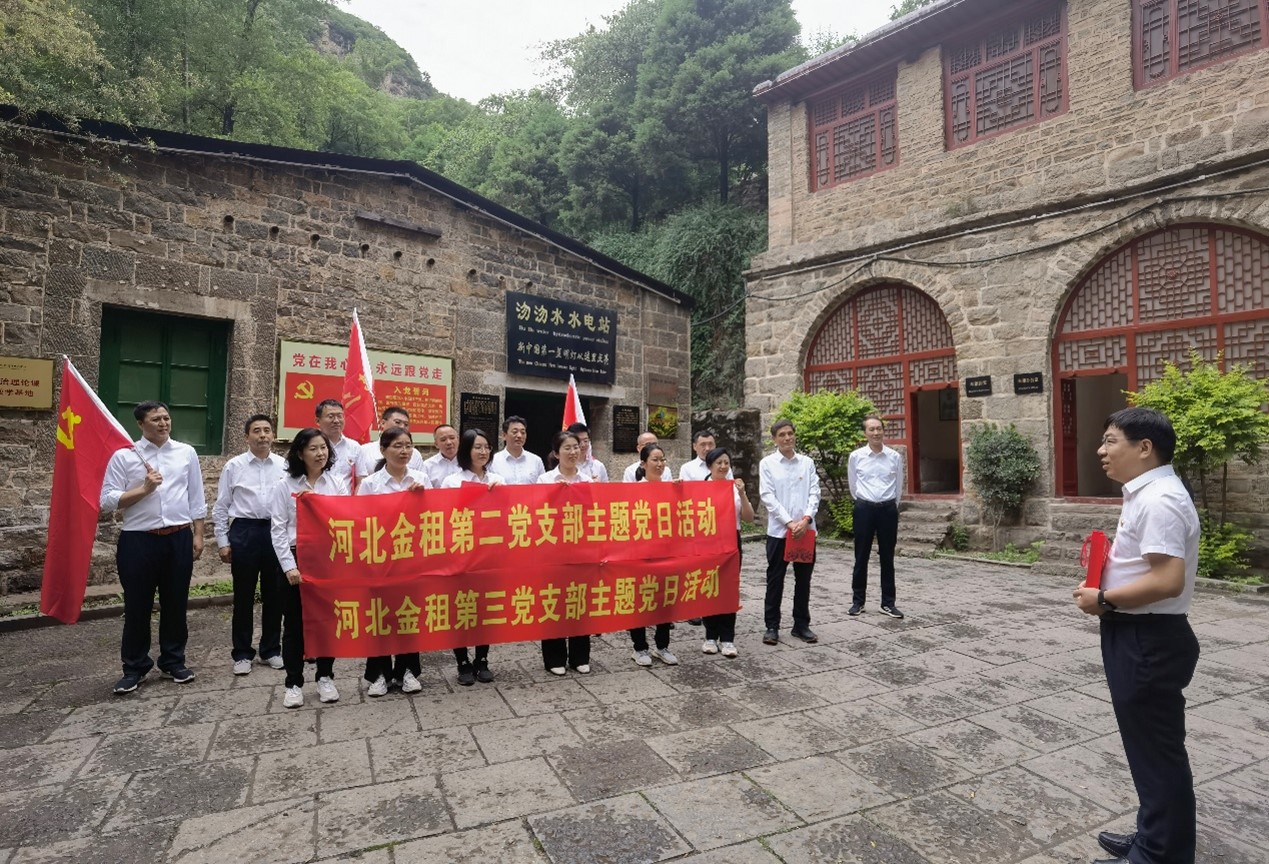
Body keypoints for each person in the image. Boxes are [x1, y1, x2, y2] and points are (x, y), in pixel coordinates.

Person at [1073, 407, 1201, 864]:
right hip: (1140, 632)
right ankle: (1154, 837)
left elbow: (1168, 580)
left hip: (1147, 639)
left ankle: (1159, 854)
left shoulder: (1159, 499)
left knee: (1157, 754)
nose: (1100, 451)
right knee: (1150, 751)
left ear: (1144, 448)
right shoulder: (1148, 493)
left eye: (1111, 441)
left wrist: (1105, 598)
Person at [102, 401, 206, 694]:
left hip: (178, 537)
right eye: (156, 419)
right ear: (140, 424)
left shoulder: (185, 453)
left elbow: (196, 496)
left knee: (176, 603)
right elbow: (107, 500)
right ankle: (134, 667)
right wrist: (144, 489)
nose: (163, 423)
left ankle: (173, 661)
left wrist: (198, 534)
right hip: (139, 540)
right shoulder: (124, 456)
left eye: (166, 418)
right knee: (138, 606)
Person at [270, 428, 345, 708]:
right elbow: (278, 529)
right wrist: (289, 566)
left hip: (327, 560)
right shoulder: (285, 485)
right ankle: (293, 683)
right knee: (294, 624)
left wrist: (318, 504)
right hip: (296, 558)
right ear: (300, 453)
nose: (320, 453)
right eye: (313, 448)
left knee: (327, 622)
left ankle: (325, 676)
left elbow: (346, 519)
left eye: (323, 448)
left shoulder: (336, 483)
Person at [357, 426, 430, 697]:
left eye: (408, 446)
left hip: (411, 558)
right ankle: (379, 674)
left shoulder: (421, 479)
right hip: (380, 560)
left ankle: (407, 671)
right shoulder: (371, 484)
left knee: (409, 614)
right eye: (397, 446)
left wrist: (422, 498)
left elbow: (434, 518)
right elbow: (360, 521)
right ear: (383, 449)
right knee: (380, 616)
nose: (404, 451)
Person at [213, 414, 287, 676]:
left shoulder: (284, 465)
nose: (263, 435)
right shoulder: (234, 466)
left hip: (275, 531)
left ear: (273, 435)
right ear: (247, 437)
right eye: (257, 430)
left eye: (267, 430)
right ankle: (242, 653)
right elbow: (221, 506)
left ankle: (271, 649)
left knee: (274, 594)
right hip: (244, 530)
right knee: (243, 595)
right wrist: (223, 541)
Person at [442, 428, 506, 685]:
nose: (483, 452)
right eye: (477, 447)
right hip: (461, 555)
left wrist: (499, 495)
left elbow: (510, 515)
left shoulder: (498, 479)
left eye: (487, 447)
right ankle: (462, 662)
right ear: (466, 450)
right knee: (461, 608)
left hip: (489, 555)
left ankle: (482, 659)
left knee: (484, 609)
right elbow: (445, 517)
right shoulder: (451, 482)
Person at [758, 419, 820, 646]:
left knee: (803, 580)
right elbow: (768, 496)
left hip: (805, 531)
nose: (787, 438)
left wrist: (806, 519)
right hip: (779, 532)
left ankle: (801, 624)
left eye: (790, 433)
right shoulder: (767, 464)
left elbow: (815, 492)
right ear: (774, 439)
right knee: (775, 579)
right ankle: (772, 626)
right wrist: (789, 523)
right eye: (782, 435)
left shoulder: (807, 463)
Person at [537, 430, 592, 676]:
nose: (573, 452)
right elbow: (537, 512)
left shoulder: (588, 480)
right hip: (553, 552)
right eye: (567, 448)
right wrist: (555, 495)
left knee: (579, 601)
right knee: (554, 601)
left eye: (576, 447)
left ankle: (580, 656)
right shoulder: (545, 480)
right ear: (556, 453)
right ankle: (554, 657)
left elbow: (595, 513)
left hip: (581, 550)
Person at [847, 415, 905, 619]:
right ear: (865, 433)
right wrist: (864, 503)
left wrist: (891, 505)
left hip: (887, 510)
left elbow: (898, 487)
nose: (876, 432)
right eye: (871, 429)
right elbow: (853, 486)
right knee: (861, 556)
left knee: (887, 557)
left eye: (879, 428)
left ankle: (888, 603)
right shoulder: (856, 457)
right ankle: (858, 602)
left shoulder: (894, 457)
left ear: (883, 431)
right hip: (864, 509)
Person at [628, 443, 679, 667]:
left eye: (662, 460)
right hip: (640, 555)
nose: (659, 464)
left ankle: (662, 646)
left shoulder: (671, 489)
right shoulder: (634, 491)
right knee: (640, 601)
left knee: (665, 600)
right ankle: (639, 648)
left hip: (666, 553)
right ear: (643, 463)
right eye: (655, 460)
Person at [701, 447, 754, 658]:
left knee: (729, 588)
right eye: (719, 463)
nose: (723, 466)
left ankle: (728, 638)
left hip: (731, 541)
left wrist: (742, 493)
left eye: (726, 463)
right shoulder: (700, 488)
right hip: (707, 543)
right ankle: (710, 636)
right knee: (709, 587)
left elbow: (749, 517)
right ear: (710, 466)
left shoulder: (734, 488)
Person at [355, 406, 424, 481]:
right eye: (397, 422)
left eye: (406, 424)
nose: (402, 427)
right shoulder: (364, 451)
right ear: (382, 423)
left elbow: (421, 481)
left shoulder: (415, 454)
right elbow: (360, 482)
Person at [316, 399, 360, 490]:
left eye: (340, 416)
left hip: (345, 498)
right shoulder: (310, 445)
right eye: (330, 416)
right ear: (317, 421)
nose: (336, 421)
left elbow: (360, 480)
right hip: (318, 496)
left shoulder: (354, 447)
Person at [490, 415, 545, 484]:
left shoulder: (536, 461)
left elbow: (543, 486)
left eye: (523, 432)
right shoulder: (493, 461)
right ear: (504, 435)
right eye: (515, 432)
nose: (519, 436)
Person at [422, 423, 461, 488]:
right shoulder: (427, 466)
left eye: (452, 438)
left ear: (458, 440)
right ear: (436, 444)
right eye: (443, 440)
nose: (449, 442)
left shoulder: (469, 462)